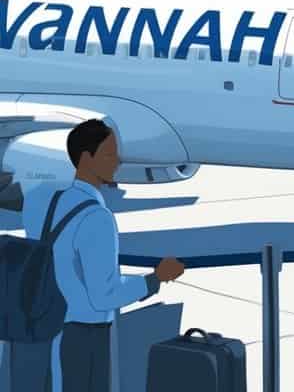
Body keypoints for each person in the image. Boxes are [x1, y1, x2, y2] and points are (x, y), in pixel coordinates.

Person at [22, 120, 184, 392]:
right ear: (86, 159)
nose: (117, 161)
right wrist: (155, 278)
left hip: (50, 327)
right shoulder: (97, 218)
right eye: (109, 154)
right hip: (84, 337)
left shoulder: (48, 202)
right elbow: (104, 295)